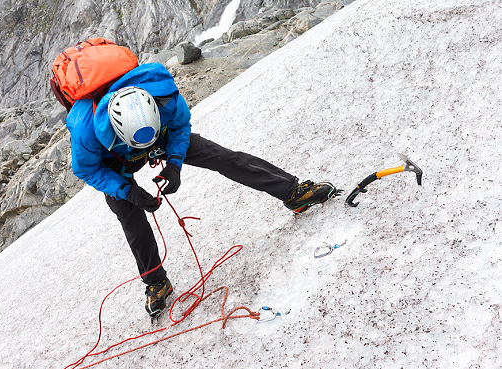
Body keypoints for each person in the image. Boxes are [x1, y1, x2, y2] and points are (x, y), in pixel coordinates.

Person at [66, 62, 341, 320]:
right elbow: (87, 170)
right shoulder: (85, 131)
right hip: (114, 158)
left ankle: (292, 192)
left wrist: (173, 164)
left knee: (222, 157)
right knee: (128, 212)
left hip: (158, 133)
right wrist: (126, 190)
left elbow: (180, 126)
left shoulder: (162, 94)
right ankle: (156, 282)